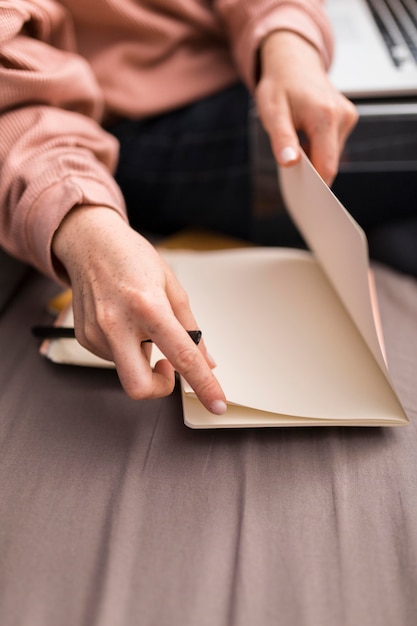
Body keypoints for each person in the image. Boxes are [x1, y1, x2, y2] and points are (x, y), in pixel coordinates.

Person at [0, 0, 357, 415]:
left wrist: (288, 42)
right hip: (135, 122)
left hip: (246, 57)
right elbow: (13, 104)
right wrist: (82, 222)